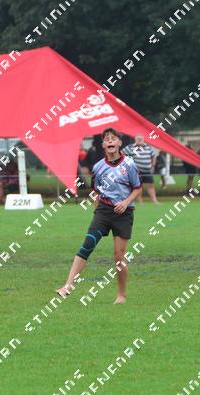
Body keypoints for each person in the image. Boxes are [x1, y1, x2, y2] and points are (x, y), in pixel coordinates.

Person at [56, 127, 141, 304]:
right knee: (87, 245)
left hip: (124, 214)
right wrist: (97, 211)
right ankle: (68, 286)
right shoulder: (98, 167)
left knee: (118, 257)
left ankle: (121, 295)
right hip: (103, 212)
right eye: (107, 139)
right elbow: (95, 191)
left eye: (113, 138)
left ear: (119, 143)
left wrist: (125, 203)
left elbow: (137, 188)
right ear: (103, 145)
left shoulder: (129, 165)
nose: (110, 141)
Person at [123, 134, 159, 204]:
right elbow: (121, 154)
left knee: (151, 185)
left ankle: (154, 201)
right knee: (138, 187)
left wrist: (153, 165)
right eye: (138, 139)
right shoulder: (130, 147)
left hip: (148, 170)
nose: (139, 140)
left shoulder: (148, 147)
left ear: (143, 140)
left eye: (141, 139)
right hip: (137, 171)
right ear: (135, 140)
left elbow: (153, 155)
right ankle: (140, 202)